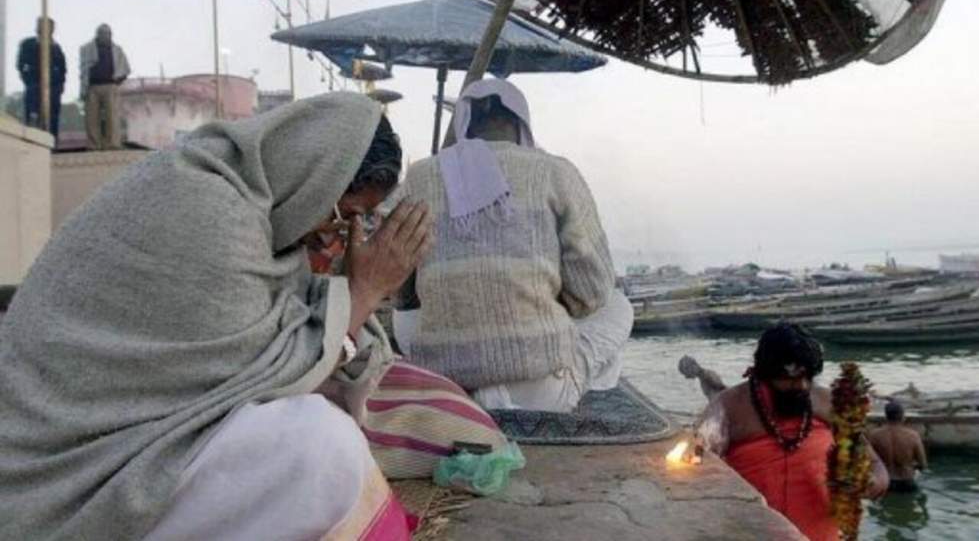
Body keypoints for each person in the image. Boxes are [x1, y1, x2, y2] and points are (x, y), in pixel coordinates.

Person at [0, 93, 431, 540]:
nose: (335, 232)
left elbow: (287, 354)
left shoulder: (252, 206)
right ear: (316, 177)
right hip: (66, 474)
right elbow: (269, 378)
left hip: (121, 442)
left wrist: (345, 294)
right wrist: (366, 291)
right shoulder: (209, 210)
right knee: (322, 446)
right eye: (342, 216)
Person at [393, 78, 632, 413]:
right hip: (539, 391)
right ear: (521, 124)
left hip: (447, 385)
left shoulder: (419, 176)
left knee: (406, 316)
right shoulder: (555, 171)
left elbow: (403, 296)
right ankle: (578, 389)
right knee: (619, 305)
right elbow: (590, 294)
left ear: (464, 124)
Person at [696, 323, 889, 541]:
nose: (803, 386)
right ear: (765, 374)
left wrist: (871, 483)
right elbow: (694, 478)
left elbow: (875, 464)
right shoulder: (727, 409)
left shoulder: (827, 403)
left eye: (808, 378)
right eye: (791, 379)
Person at [80, 24, 131, 150]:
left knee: (112, 116)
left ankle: (113, 144)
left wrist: (117, 81)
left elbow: (125, 68)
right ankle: (93, 145)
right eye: (101, 33)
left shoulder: (117, 50)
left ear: (110, 35)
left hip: (110, 85)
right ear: (97, 34)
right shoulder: (87, 49)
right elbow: (83, 70)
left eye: (107, 33)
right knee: (91, 118)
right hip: (92, 86)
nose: (104, 35)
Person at [16, 17, 67, 140]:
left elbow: (63, 68)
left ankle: (52, 143)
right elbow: (20, 64)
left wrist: (59, 85)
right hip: (34, 84)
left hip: (53, 86)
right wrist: (27, 79)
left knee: (52, 115)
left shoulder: (56, 47)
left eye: (49, 27)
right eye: (41, 25)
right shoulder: (28, 44)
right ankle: (31, 141)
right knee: (33, 114)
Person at [869, 401, 927, 493]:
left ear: (886, 416)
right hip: (907, 481)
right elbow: (923, 464)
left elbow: (868, 461)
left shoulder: (875, 435)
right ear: (903, 417)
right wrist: (911, 466)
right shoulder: (913, 436)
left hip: (885, 482)